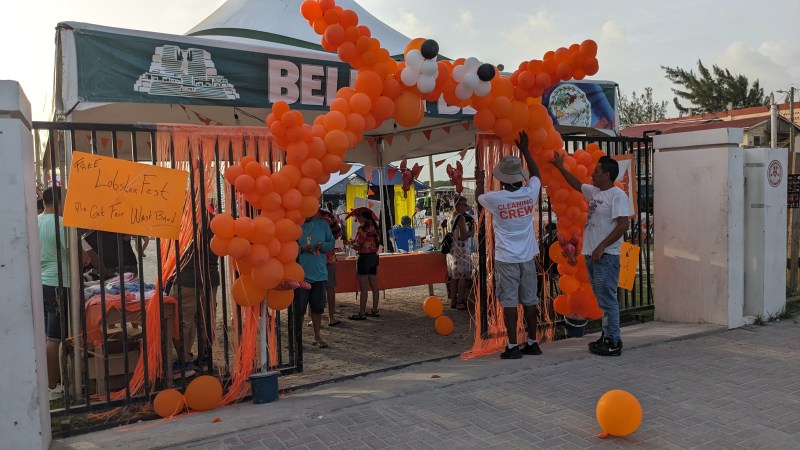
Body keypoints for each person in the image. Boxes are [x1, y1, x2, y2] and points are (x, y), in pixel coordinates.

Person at [551, 154, 629, 356]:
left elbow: (623, 225)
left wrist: (602, 246)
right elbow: (576, 184)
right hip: (591, 256)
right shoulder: (594, 192)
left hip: (606, 256)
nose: (593, 174)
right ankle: (607, 334)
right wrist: (560, 166)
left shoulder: (617, 195)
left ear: (607, 174)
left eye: (597, 171)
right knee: (602, 299)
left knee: (608, 300)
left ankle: (614, 341)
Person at [476, 132, 543, 359]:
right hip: (527, 257)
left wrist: (478, 178)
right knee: (530, 301)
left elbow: (479, 197)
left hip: (506, 259)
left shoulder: (495, 199)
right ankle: (533, 342)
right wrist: (525, 149)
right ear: (520, 178)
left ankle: (513, 346)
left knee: (510, 303)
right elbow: (537, 175)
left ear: (502, 180)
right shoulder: (530, 192)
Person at [168, 218, 220, 377]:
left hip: (187, 278)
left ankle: (184, 363)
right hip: (210, 277)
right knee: (205, 320)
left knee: (181, 321)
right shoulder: (215, 221)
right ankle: (204, 359)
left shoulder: (184, 221)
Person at [38, 187, 69, 400]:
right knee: (55, 337)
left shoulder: (36, 221)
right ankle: (51, 385)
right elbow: (79, 255)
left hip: (42, 281)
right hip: (59, 283)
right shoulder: (60, 224)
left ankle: (52, 380)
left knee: (49, 334)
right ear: (59, 201)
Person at [296, 209, 335, 348]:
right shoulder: (296, 225)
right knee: (299, 309)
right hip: (300, 274)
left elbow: (331, 243)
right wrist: (302, 248)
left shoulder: (323, 225)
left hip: (319, 274)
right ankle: (297, 339)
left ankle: (317, 337)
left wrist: (322, 246)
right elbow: (288, 246)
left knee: (317, 308)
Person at [346, 208, 382, 320]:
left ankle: (362, 313)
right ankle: (375, 310)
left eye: (357, 217)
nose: (356, 219)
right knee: (374, 285)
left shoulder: (363, 228)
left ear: (362, 217)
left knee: (364, 288)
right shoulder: (376, 228)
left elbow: (359, 246)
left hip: (364, 258)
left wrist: (350, 244)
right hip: (374, 257)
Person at [316, 202, 343, 326]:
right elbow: (338, 234)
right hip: (327, 256)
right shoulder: (328, 216)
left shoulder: (304, 215)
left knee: (314, 287)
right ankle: (331, 317)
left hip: (315, 257)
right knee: (329, 288)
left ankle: (315, 317)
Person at [446, 195, 473, 310]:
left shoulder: (450, 216)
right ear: (459, 205)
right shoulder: (461, 218)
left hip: (452, 251)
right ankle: (460, 301)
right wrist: (472, 231)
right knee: (462, 277)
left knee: (453, 277)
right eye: (464, 205)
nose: (466, 208)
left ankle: (453, 301)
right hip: (461, 251)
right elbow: (463, 236)